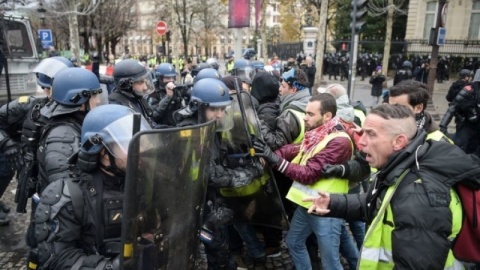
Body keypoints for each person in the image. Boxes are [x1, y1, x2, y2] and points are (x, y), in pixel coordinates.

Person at [304, 104, 473, 269]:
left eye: (371, 134)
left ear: (398, 142)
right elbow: (381, 203)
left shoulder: (417, 197)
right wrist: (333, 202)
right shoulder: (406, 165)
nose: (361, 142)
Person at [30, 104, 151, 269]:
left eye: (140, 142)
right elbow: (57, 258)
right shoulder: (67, 194)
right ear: (103, 152)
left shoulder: (146, 181)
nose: (142, 150)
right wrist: (110, 267)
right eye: (128, 144)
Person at [254, 93, 354, 270]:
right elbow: (294, 149)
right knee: (294, 242)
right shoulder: (318, 134)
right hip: (307, 204)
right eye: (305, 113)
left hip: (326, 209)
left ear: (327, 116)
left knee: (330, 262)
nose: (305, 118)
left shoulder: (339, 141)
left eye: (310, 114)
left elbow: (309, 173)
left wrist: (274, 160)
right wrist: (270, 157)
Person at [176, 78, 264, 269]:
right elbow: (213, 175)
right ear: (199, 107)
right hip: (189, 202)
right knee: (209, 248)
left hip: (206, 197)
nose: (219, 114)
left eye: (223, 109)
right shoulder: (190, 132)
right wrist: (250, 172)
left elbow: (219, 158)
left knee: (219, 247)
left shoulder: (209, 127)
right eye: (214, 109)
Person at [0, 57, 73, 225]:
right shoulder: (29, 106)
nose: (47, 93)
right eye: (46, 88)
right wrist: (7, 144)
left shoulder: (82, 108)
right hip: (38, 180)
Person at [261, 67, 311, 150]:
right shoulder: (310, 103)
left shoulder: (289, 114)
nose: (279, 89)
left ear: (293, 90)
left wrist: (260, 124)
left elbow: (276, 144)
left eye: (283, 86)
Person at [440, 69, 480, 155]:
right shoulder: (469, 89)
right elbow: (453, 107)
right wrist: (443, 125)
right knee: (458, 151)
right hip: (468, 125)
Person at [109, 59, 156, 127]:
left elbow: (150, 125)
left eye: (145, 81)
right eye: (140, 82)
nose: (145, 87)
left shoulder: (136, 97)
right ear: (126, 85)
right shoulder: (116, 106)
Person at [148, 63, 183, 127]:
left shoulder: (176, 89)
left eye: (173, 77)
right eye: (168, 78)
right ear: (160, 78)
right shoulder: (152, 91)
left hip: (176, 126)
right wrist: (168, 97)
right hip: (160, 128)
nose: (171, 80)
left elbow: (181, 109)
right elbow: (154, 115)